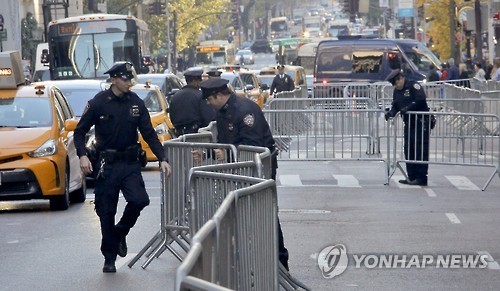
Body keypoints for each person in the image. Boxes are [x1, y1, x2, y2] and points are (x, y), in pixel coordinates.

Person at [74, 61, 172, 273]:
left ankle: (120, 232)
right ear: (114, 79)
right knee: (106, 210)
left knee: (139, 200)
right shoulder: (98, 103)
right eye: (125, 79)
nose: (129, 83)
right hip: (106, 164)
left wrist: (162, 157)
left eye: (130, 79)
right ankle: (109, 257)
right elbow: (79, 131)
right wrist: (82, 156)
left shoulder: (135, 102)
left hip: (129, 163)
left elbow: (149, 133)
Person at [196, 78, 290, 271]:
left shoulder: (243, 110)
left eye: (209, 100)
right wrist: (207, 153)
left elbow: (253, 145)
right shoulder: (223, 112)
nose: (208, 104)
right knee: (243, 216)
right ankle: (252, 263)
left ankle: (280, 263)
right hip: (241, 170)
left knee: (265, 214)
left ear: (218, 96)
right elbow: (225, 142)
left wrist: (229, 152)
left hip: (259, 169)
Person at [384, 69, 431, 186]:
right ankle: (411, 176)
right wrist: (391, 113)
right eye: (394, 84)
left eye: (397, 83)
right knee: (409, 149)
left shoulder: (413, 86)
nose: (396, 86)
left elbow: (420, 100)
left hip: (420, 122)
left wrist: (408, 108)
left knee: (420, 150)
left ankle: (421, 177)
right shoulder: (397, 91)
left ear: (401, 78)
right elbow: (395, 105)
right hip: (409, 123)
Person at [169, 69, 216, 136]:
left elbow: (172, 116)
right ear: (194, 81)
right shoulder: (201, 96)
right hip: (197, 135)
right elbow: (208, 117)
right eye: (199, 80)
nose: (200, 83)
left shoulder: (175, 96)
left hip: (179, 135)